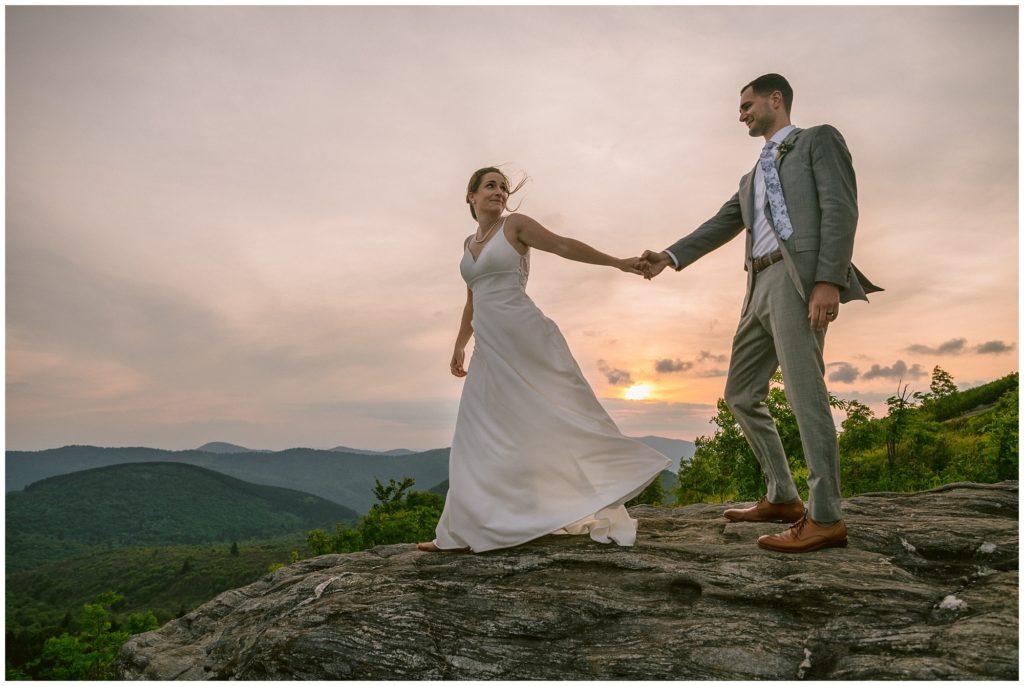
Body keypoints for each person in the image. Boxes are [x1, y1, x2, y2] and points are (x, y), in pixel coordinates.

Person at [640, 74, 881, 553]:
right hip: (757, 286)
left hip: (798, 281)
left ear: (776, 99)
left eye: (747, 104)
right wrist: (668, 256)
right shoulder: (751, 177)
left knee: (803, 392)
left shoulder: (818, 140)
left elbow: (840, 207)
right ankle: (783, 496)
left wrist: (827, 279)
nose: (741, 113)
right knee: (740, 393)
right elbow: (722, 223)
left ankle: (827, 516)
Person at [417, 167, 671, 553]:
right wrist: (459, 343)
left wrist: (618, 262)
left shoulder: (515, 226)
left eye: (504, 187)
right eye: (491, 186)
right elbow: (473, 298)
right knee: (475, 433)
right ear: (471, 196)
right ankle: (460, 531)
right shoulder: (468, 242)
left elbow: (564, 246)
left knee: (553, 416)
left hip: (527, 339)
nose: (499, 192)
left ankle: (597, 483)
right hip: (489, 349)